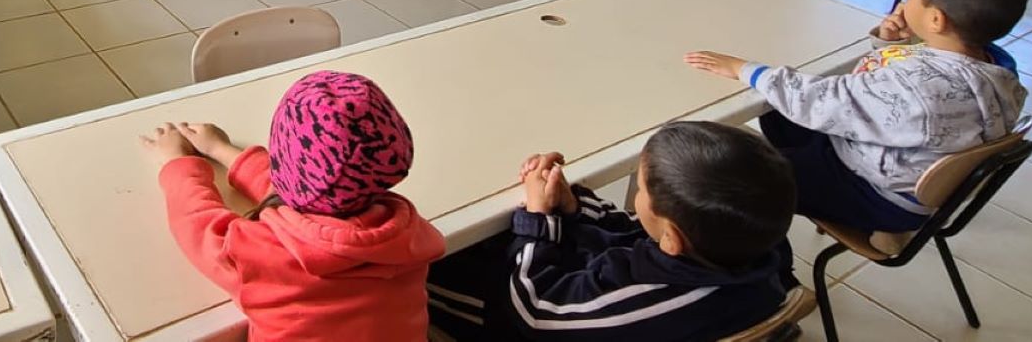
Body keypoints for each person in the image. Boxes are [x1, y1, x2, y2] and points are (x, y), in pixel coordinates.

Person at [685, 0, 1030, 236]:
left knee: (737, 177)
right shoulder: (997, 68)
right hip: (903, 169)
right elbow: (907, 100)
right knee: (777, 111)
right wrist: (889, 47)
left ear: (936, 19)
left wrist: (744, 69)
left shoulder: (915, 91)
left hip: (874, 195)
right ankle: (789, 157)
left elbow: (823, 101)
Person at [139, 70, 444, 340]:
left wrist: (177, 163)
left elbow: (197, 224)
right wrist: (223, 150)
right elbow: (313, 188)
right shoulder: (409, 234)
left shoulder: (260, 257)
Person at [426, 121, 797, 340]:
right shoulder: (753, 240)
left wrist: (539, 218)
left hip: (522, 318)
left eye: (642, 188)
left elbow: (531, 312)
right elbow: (634, 233)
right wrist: (572, 206)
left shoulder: (651, 301)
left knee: (429, 268)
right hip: (590, 297)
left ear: (672, 237)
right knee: (506, 233)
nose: (636, 195)